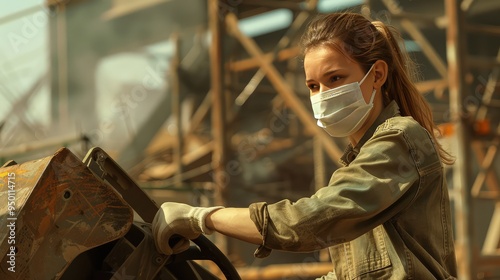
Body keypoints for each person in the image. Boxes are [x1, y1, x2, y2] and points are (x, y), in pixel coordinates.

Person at [152, 12, 458, 279]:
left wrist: (202, 218)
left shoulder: (400, 139)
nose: (323, 94)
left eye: (335, 78)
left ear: (376, 75)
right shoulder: (358, 160)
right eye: (313, 86)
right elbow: (361, 270)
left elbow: (308, 222)